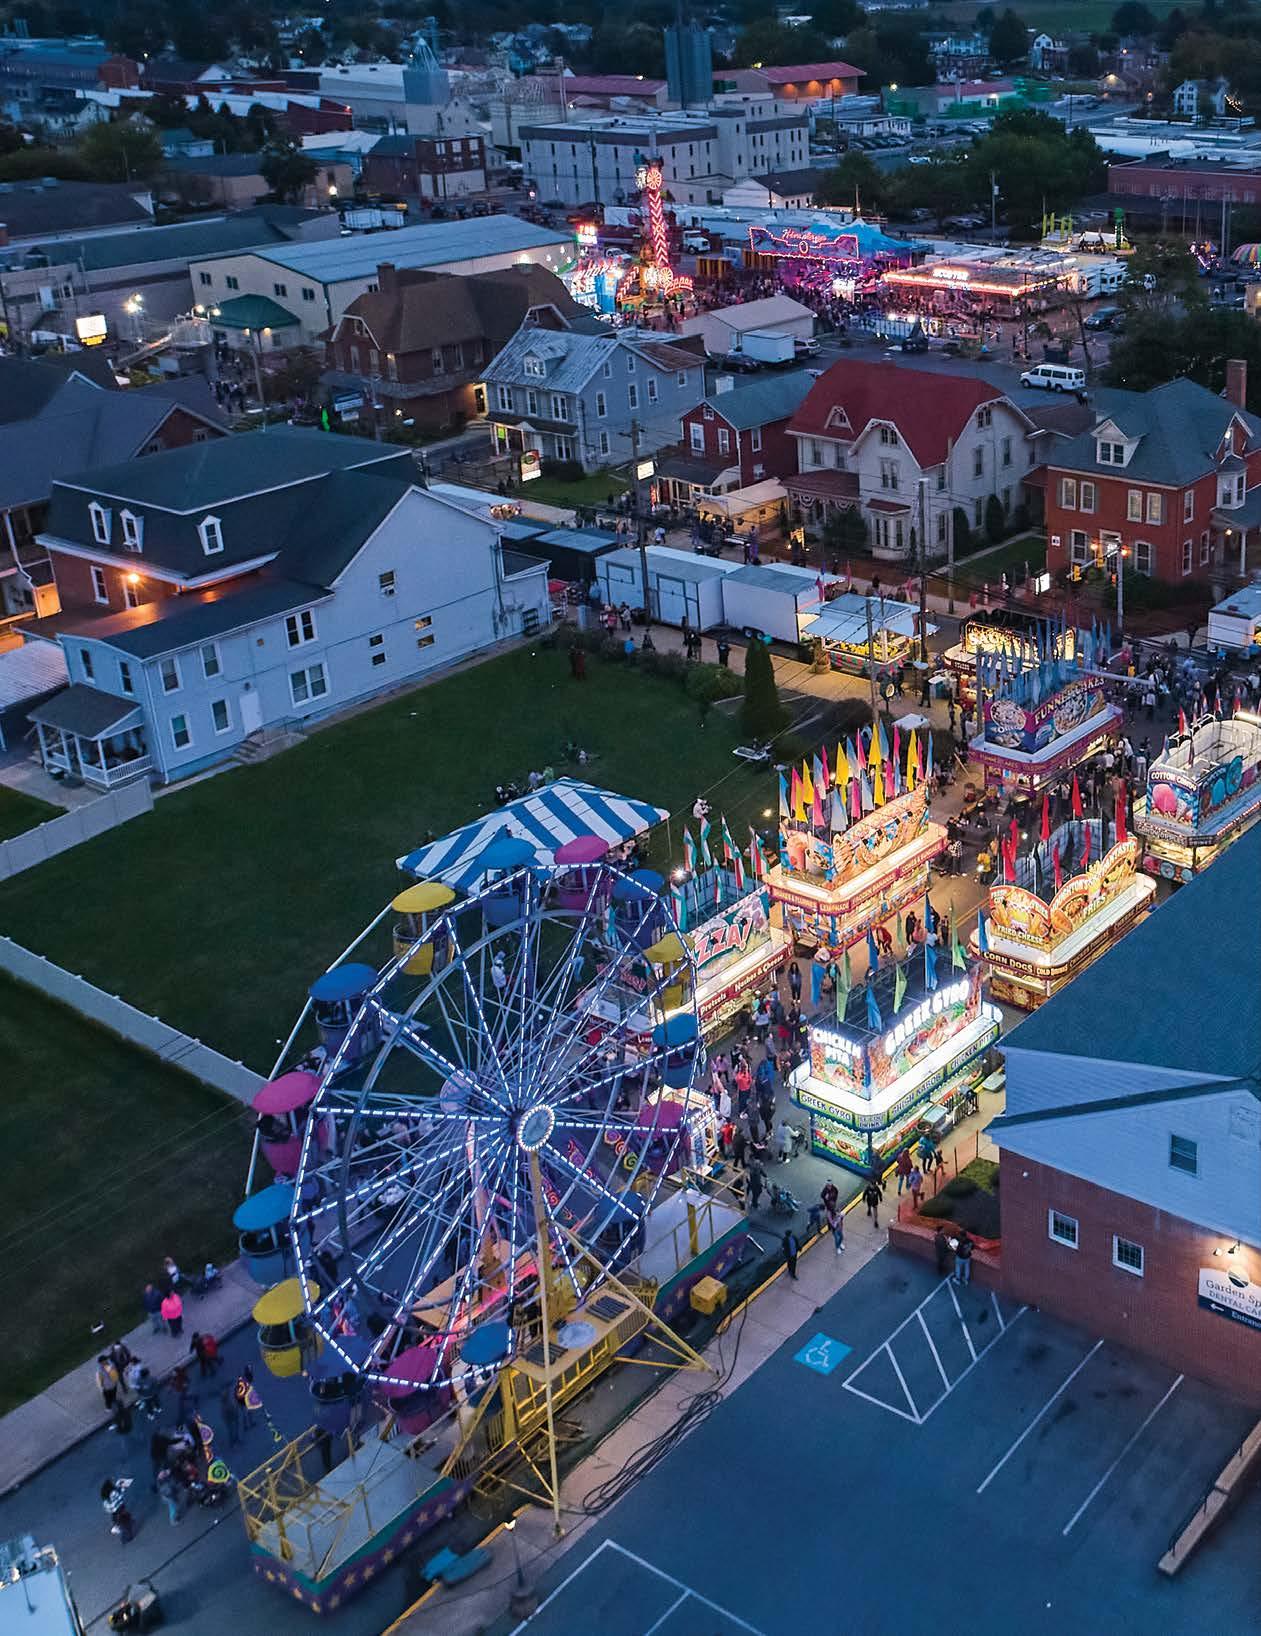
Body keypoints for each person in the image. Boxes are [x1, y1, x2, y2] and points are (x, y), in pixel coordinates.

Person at [102, 1477, 135, 1542]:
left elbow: (108, 1507)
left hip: (115, 1511)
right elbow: (120, 1496)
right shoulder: (113, 1493)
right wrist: (123, 1487)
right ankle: (127, 1536)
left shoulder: (106, 1497)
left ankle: (118, 1527)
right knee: (125, 1523)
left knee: (121, 1520)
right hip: (119, 1508)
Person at [220, 1383, 243, 1449]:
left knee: (234, 1429)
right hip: (229, 1418)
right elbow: (225, 1413)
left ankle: (236, 1440)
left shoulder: (228, 1401)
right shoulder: (224, 1405)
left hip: (232, 1416)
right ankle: (232, 1442)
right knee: (231, 1430)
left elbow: (233, 1406)